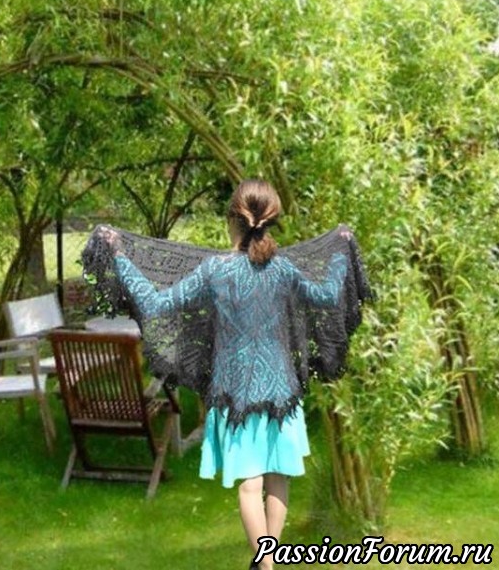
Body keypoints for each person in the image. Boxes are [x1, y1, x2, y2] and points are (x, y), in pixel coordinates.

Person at [98, 179, 352, 570]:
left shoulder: (215, 270)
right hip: (281, 392)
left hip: (236, 395)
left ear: (232, 219)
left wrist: (119, 255)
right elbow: (328, 296)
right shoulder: (283, 270)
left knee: (250, 486)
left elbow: (156, 303)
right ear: (270, 221)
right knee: (278, 478)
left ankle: (265, 566)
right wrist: (340, 251)